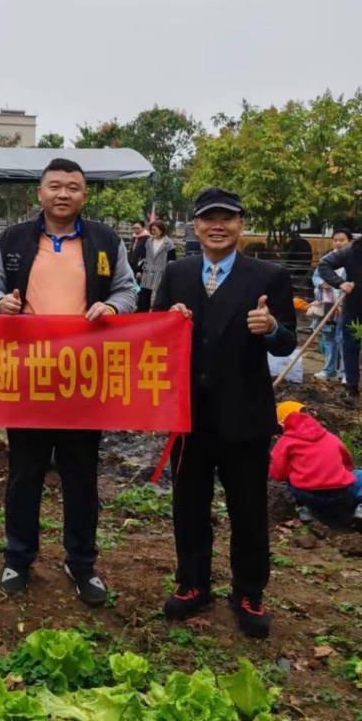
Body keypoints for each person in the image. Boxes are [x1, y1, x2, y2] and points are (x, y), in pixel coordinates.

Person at [0, 158, 137, 606]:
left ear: (84, 195)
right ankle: (18, 557)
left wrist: (112, 308)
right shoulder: (13, 239)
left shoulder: (105, 241)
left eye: (72, 187)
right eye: (54, 186)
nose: (63, 194)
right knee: (24, 473)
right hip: (26, 376)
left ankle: (82, 562)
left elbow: (128, 290)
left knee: (81, 476)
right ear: (40, 193)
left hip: (83, 378)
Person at [154, 187, 296, 639]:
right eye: (208, 218)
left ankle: (249, 592)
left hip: (245, 416)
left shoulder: (268, 277)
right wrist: (168, 319)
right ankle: (192, 582)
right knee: (189, 506)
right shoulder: (177, 273)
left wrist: (270, 327)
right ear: (195, 226)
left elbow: (287, 342)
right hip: (189, 416)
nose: (218, 226)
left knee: (248, 510)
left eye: (227, 218)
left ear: (240, 225)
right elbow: (152, 333)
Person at [270, 400, 362, 528]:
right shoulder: (328, 436)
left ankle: (305, 511)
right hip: (340, 493)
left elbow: (277, 475)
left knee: (291, 475)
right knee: (359, 475)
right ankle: (360, 508)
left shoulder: (285, 443)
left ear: (281, 424)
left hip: (308, 495)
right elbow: (348, 463)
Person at [318, 228, 357, 398]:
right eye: (336, 239)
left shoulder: (351, 252)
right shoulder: (351, 252)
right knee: (344, 342)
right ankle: (350, 385)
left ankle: (348, 377)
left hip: (348, 306)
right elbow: (322, 267)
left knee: (344, 340)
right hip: (351, 306)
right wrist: (339, 283)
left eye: (342, 239)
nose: (338, 243)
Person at [137, 220, 176, 312]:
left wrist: (169, 273)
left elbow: (172, 259)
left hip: (161, 272)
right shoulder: (149, 241)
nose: (153, 232)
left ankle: (158, 314)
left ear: (161, 230)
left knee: (160, 296)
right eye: (151, 230)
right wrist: (140, 270)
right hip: (148, 271)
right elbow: (143, 257)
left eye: (155, 230)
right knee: (144, 296)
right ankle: (142, 314)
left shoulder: (169, 243)